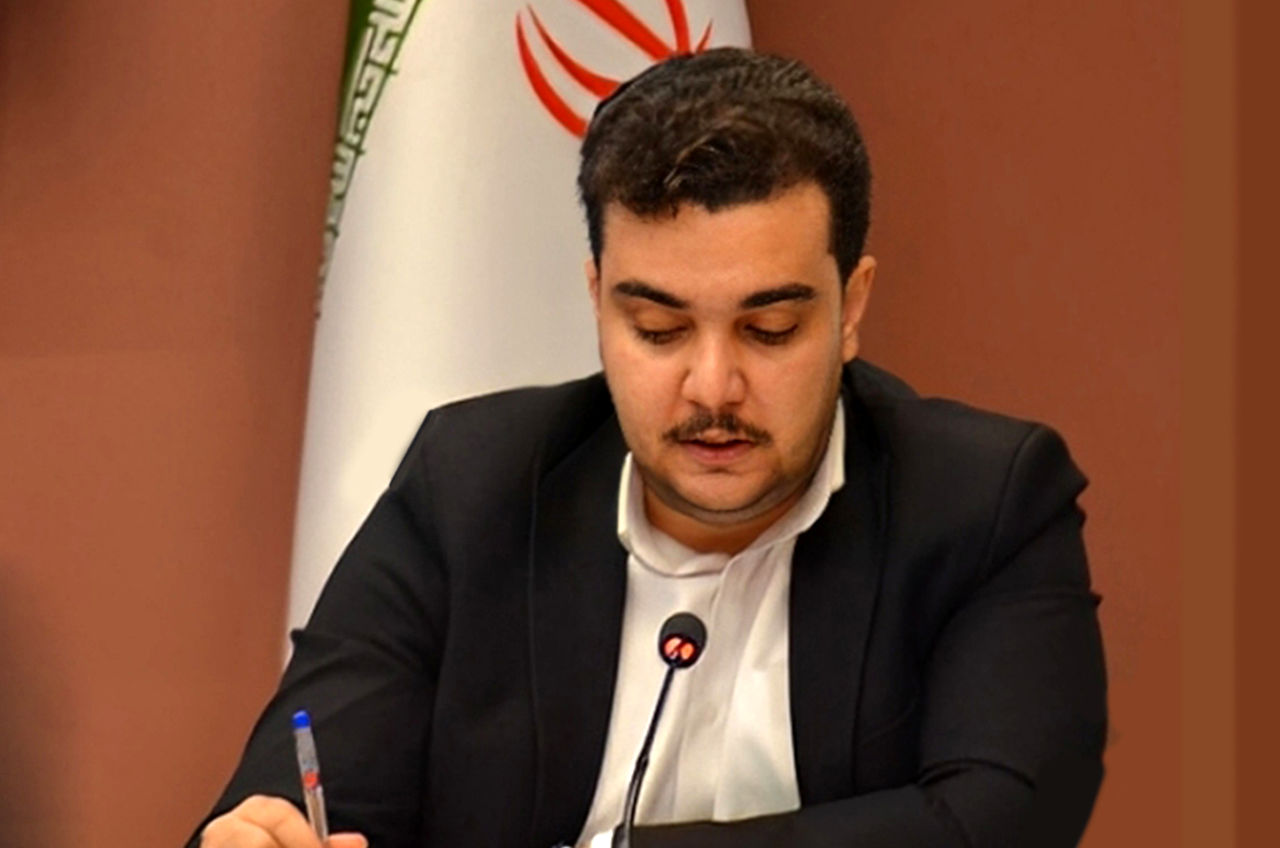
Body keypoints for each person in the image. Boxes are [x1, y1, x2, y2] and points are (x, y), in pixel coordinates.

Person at [190, 48, 1106, 848]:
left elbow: (996, 824)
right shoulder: (470, 486)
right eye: (659, 331)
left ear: (851, 306)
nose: (712, 387)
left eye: (771, 330)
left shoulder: (982, 503)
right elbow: (302, 794)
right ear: (599, 302)